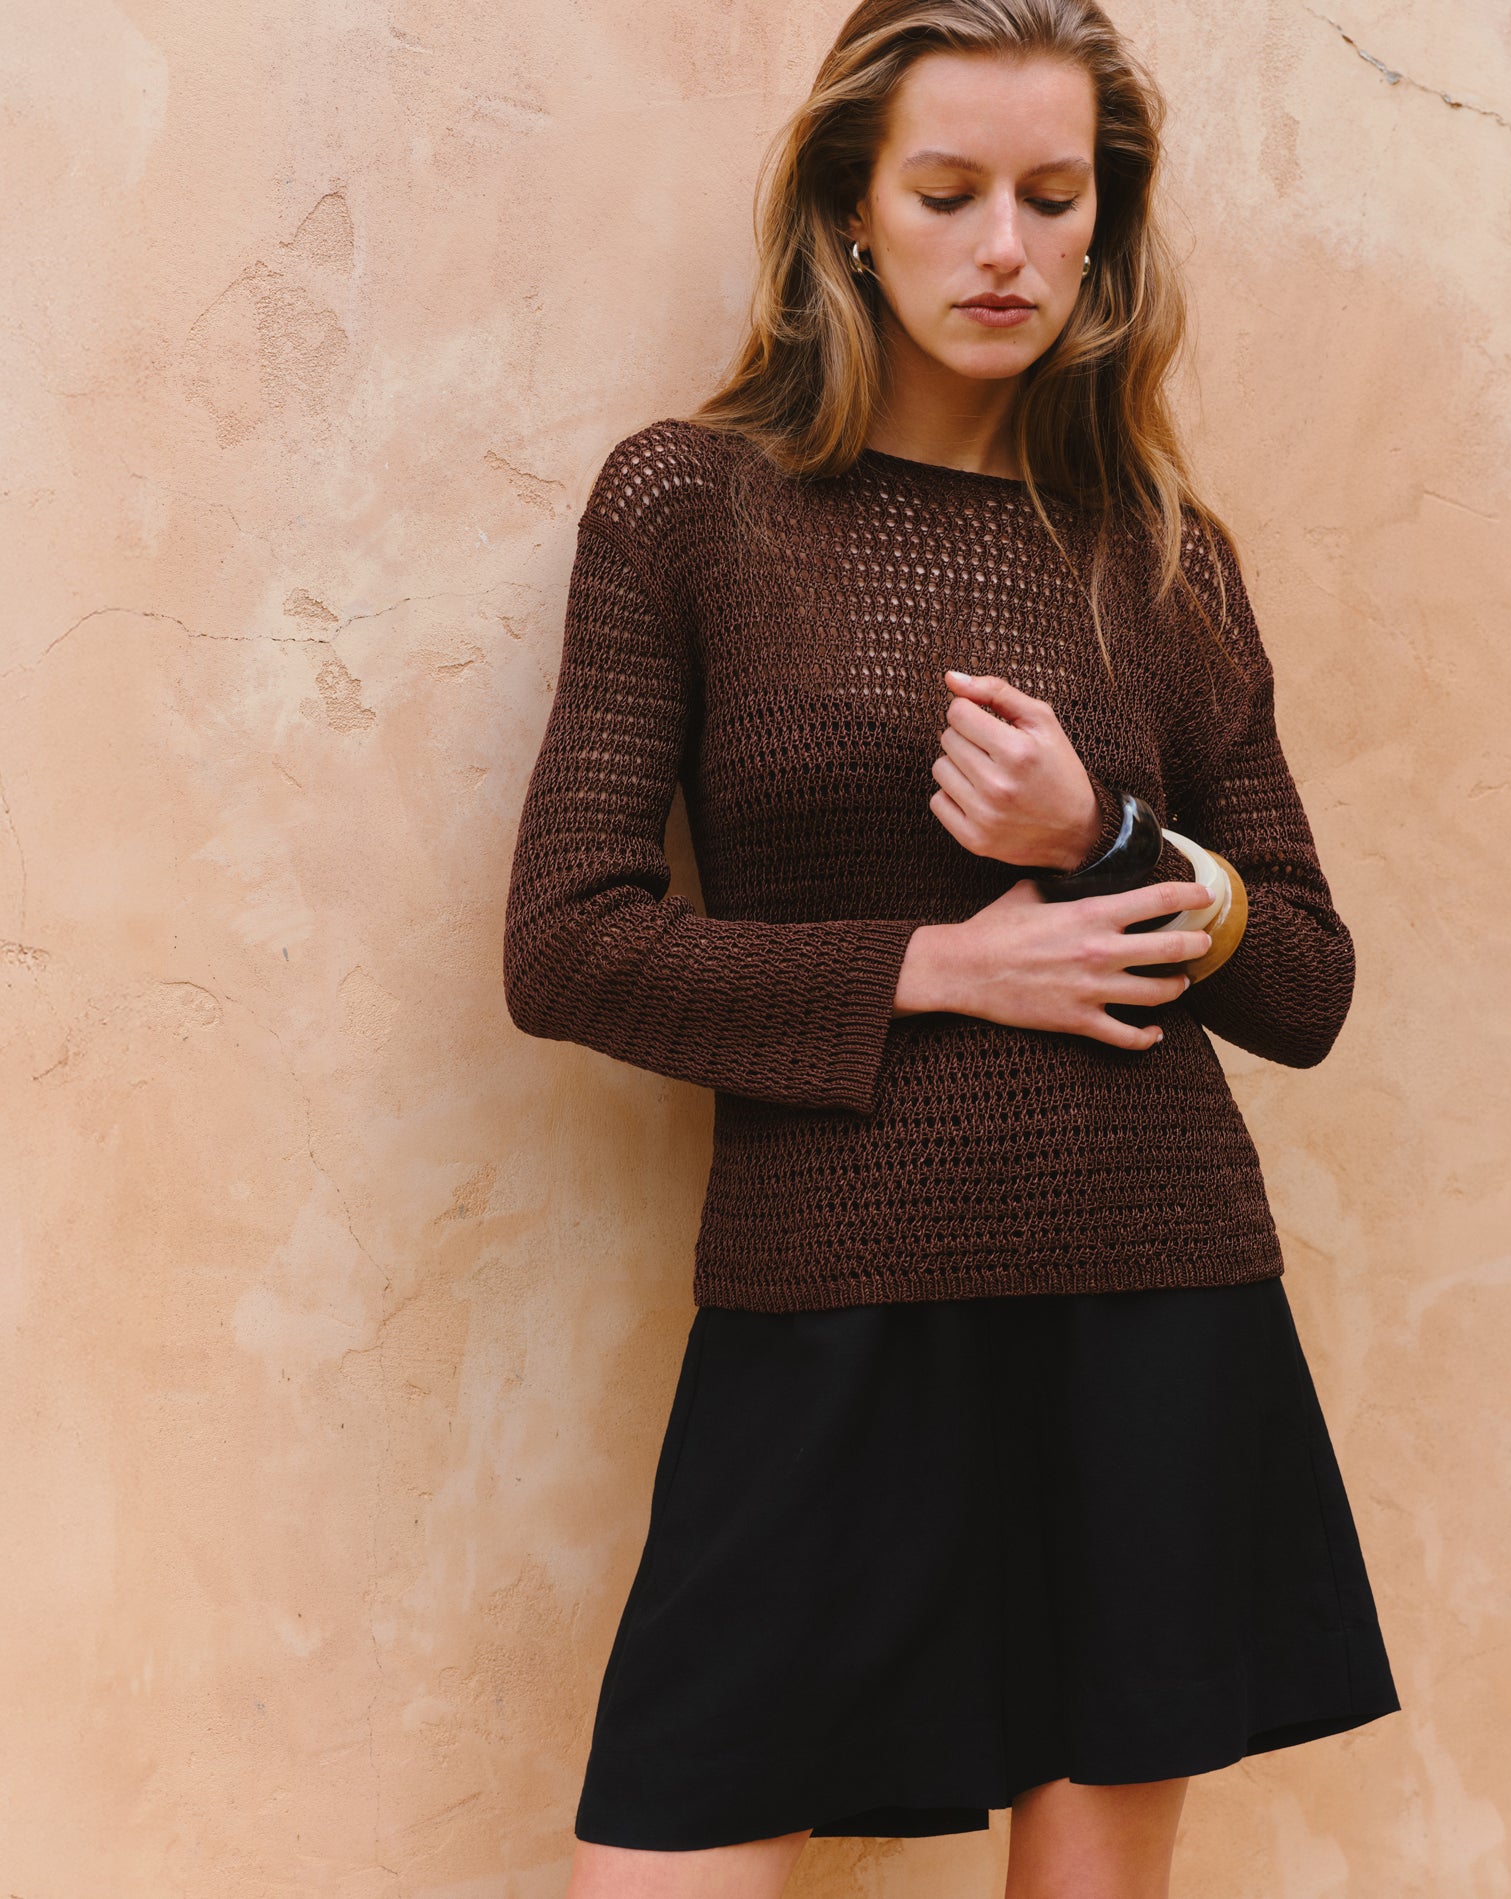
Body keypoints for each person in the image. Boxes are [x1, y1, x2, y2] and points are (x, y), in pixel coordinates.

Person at [501, 1, 1401, 1892]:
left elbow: (1303, 977)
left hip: (1148, 1281)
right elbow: (568, 944)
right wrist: (932, 965)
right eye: (949, 190)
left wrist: (1104, 843)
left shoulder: (1157, 546)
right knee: (669, 1840)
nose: (1007, 247)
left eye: (1054, 197)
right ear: (848, 208)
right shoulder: (687, 503)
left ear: (1104, 228)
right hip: (827, 1287)